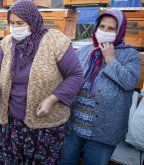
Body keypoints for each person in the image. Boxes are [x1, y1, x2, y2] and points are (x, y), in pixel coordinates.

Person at [0, 0, 85, 163]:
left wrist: (52, 99)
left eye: (20, 23)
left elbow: (76, 75)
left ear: (33, 20)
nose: (15, 27)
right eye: (12, 23)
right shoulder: (7, 43)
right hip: (11, 122)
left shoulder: (55, 41)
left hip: (45, 126)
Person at [60, 10, 141, 165]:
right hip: (74, 125)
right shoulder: (84, 51)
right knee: (65, 161)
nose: (104, 31)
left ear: (119, 31)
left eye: (111, 29)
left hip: (104, 132)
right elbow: (70, 78)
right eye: (102, 26)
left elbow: (130, 82)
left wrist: (110, 58)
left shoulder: (130, 55)